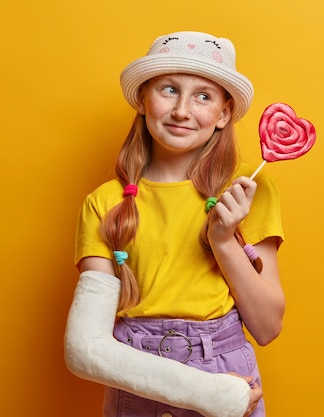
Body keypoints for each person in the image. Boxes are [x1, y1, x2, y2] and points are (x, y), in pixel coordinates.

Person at [64, 31, 285, 417]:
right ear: (143, 100)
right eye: (168, 89)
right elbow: (85, 347)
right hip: (135, 381)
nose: (182, 110)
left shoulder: (248, 189)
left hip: (226, 373)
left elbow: (267, 327)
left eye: (203, 96)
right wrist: (209, 395)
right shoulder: (103, 203)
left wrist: (224, 239)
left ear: (224, 114)